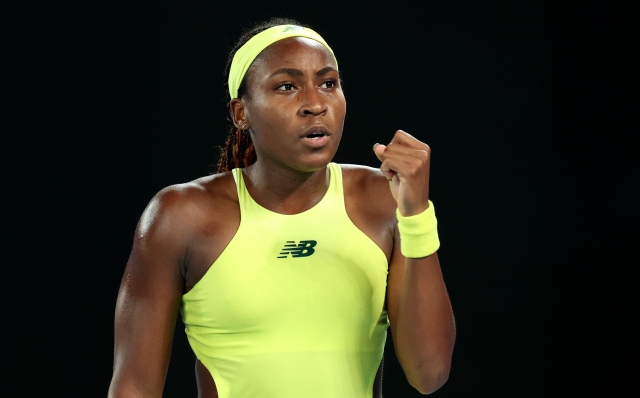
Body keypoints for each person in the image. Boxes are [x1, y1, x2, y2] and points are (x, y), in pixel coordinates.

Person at [108, 18, 455, 398]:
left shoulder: (384, 199)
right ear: (241, 113)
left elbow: (430, 373)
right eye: (286, 86)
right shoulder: (181, 215)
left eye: (328, 83)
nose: (315, 104)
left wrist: (417, 214)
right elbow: (134, 387)